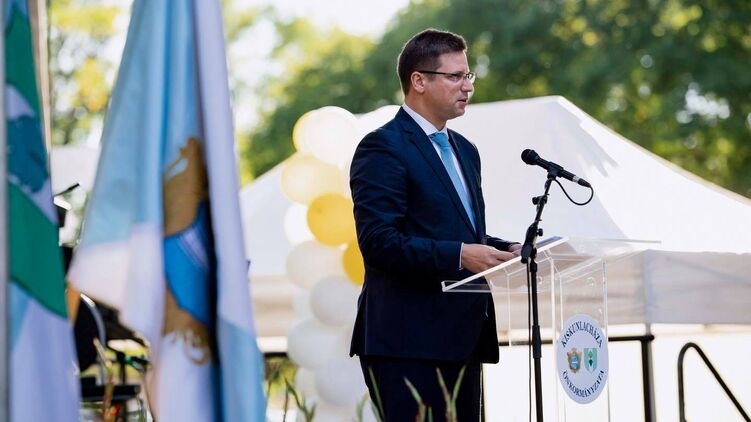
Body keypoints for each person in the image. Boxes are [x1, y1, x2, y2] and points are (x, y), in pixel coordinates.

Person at [349, 28, 521, 421]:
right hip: (407, 344)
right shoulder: (383, 147)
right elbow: (379, 241)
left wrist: (507, 248)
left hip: (463, 338)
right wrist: (461, 255)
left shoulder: (465, 150)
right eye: (455, 76)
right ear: (419, 81)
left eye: (468, 75)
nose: (468, 86)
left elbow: (457, 233)